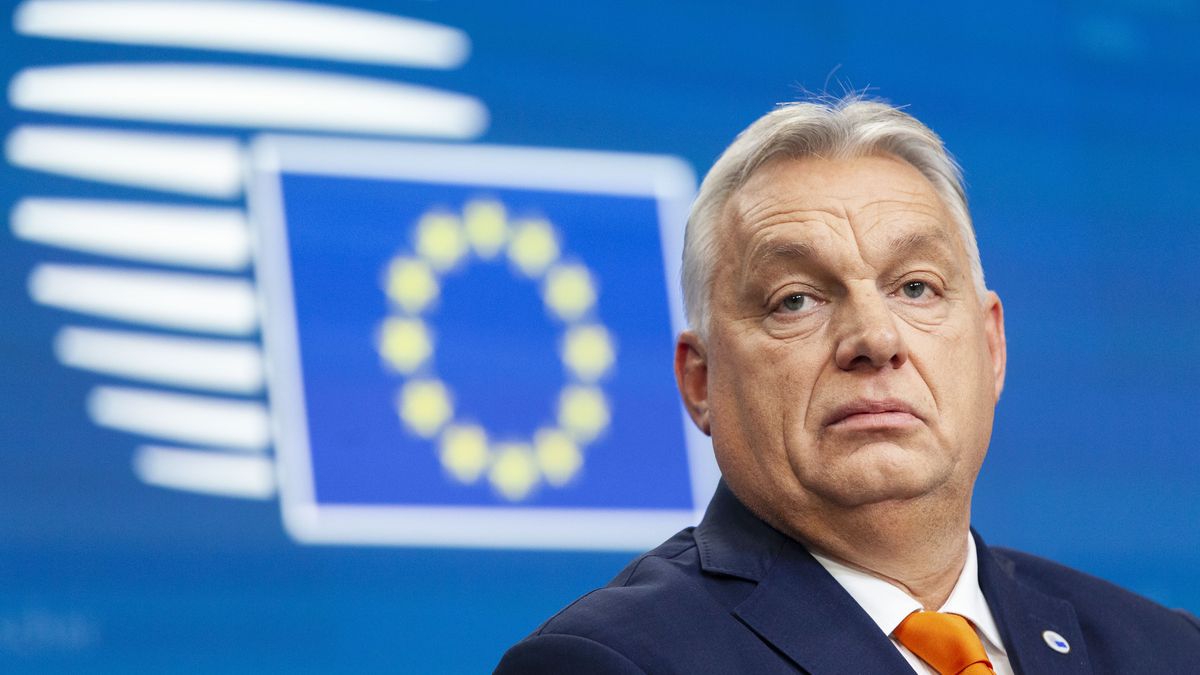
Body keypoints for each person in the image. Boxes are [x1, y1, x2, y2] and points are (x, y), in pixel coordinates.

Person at [495, 95, 1200, 674]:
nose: (875, 339)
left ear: (990, 346)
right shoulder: (610, 661)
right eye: (795, 299)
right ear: (701, 381)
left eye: (916, 287)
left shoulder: (1167, 650)